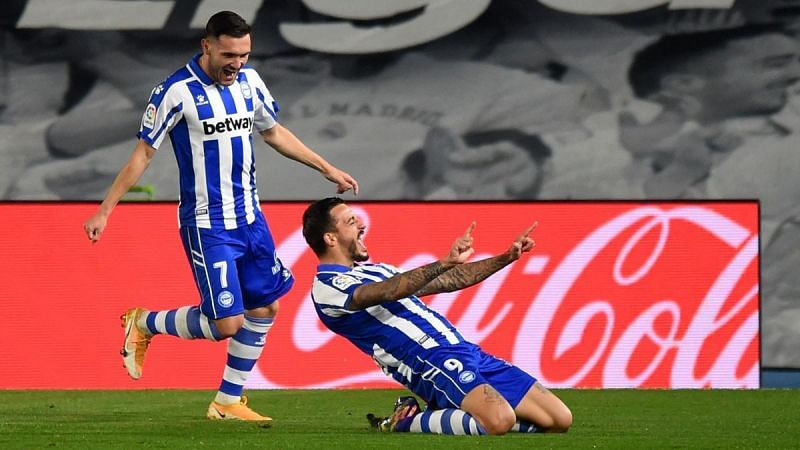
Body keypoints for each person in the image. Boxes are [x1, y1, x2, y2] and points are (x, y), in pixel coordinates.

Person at [82, 11, 359, 422]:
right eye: (229, 54)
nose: (237, 63)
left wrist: (325, 167)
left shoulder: (250, 82)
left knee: (265, 309)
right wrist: (105, 210)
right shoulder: (174, 92)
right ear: (207, 46)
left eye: (244, 55)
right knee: (227, 323)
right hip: (208, 225)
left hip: (251, 218)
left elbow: (273, 132)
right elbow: (143, 153)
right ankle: (144, 322)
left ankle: (227, 402)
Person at [301, 197, 572, 435]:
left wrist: (505, 258)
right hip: (427, 360)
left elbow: (447, 280)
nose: (361, 225)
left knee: (558, 419)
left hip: (463, 349)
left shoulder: (375, 270)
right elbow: (381, 293)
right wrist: (442, 262)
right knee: (498, 421)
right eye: (351, 221)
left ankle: (453, 412)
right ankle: (406, 421)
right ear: (330, 238)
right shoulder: (327, 286)